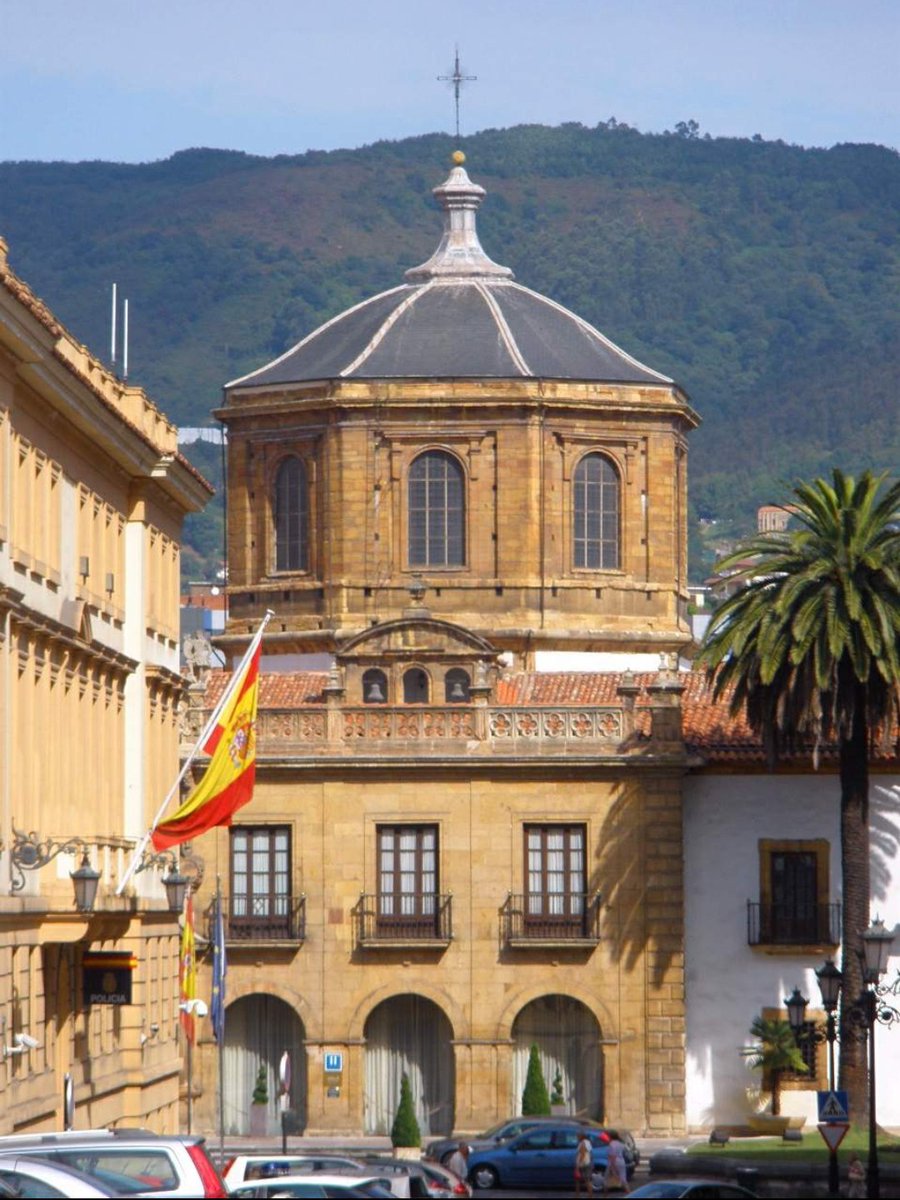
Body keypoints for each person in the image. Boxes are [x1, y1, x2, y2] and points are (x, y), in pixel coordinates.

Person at [574, 1129, 593, 1197]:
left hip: (582, 1164)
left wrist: (578, 1166)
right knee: (587, 1180)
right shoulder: (588, 1142)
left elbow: (582, 1154)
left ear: (581, 1136)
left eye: (578, 1136)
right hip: (588, 1163)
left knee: (578, 1180)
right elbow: (590, 1154)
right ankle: (590, 1195)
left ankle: (577, 1195)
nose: (577, 1137)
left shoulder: (582, 1143)